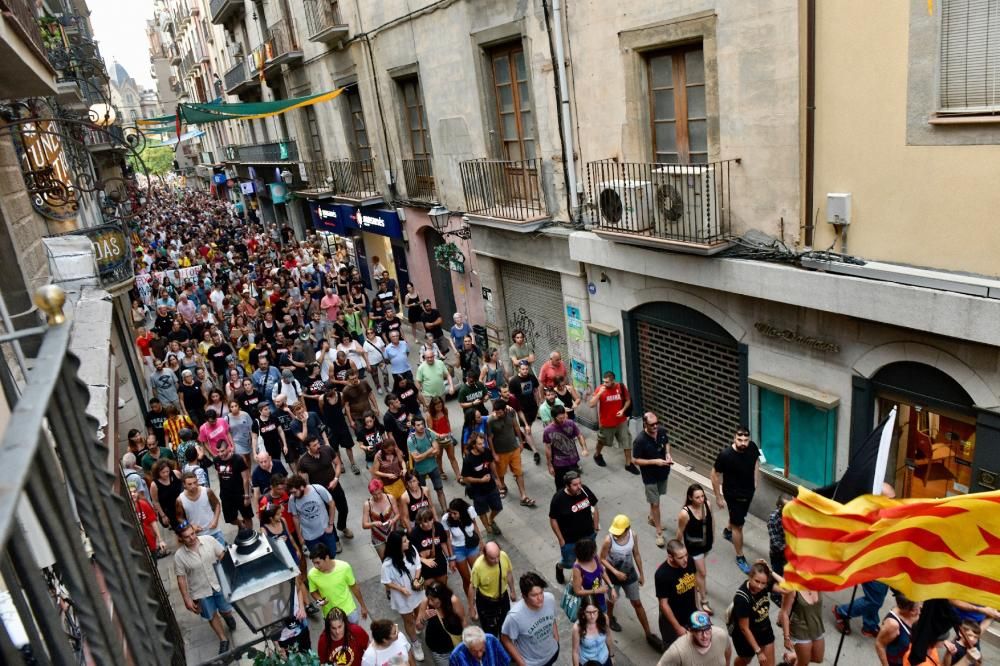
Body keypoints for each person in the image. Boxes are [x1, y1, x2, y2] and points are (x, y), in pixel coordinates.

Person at [174, 522, 238, 655]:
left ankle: (228, 616)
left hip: (218, 584)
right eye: (187, 536)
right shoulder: (179, 556)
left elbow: (222, 556)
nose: (192, 538)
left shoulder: (208, 540)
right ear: (181, 539)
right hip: (200, 591)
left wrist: (232, 577)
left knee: (226, 610)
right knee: (211, 615)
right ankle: (223, 639)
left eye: (192, 534)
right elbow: (181, 579)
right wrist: (187, 599)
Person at [599, 515, 660, 648]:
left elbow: (636, 554)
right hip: (612, 576)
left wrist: (641, 574)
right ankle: (610, 618)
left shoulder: (633, 535)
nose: (615, 534)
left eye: (618, 532)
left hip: (629, 574)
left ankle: (648, 633)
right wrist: (615, 572)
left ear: (627, 529)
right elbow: (601, 558)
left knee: (637, 603)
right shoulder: (608, 540)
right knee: (611, 600)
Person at [711, 427, 760, 574]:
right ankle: (740, 557)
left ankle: (727, 532)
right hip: (733, 495)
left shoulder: (752, 448)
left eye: (746, 440)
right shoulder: (725, 455)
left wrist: (755, 481)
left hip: (748, 492)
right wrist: (718, 497)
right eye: (740, 440)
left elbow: (756, 461)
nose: (743, 443)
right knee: (738, 526)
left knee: (737, 518)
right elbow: (714, 475)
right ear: (734, 438)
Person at [381, 531, 427, 662]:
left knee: (419, 614)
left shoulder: (411, 550)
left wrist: (416, 580)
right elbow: (386, 581)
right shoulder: (388, 564)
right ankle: (415, 643)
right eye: (405, 541)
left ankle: (419, 627)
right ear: (397, 545)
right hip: (402, 596)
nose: (408, 542)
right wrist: (400, 588)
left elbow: (418, 565)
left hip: (416, 590)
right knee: (408, 620)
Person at [298, 435, 353, 541]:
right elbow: (304, 482)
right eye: (314, 445)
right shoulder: (303, 462)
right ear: (307, 447)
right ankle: (335, 539)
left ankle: (342, 526)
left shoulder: (327, 450)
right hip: (320, 494)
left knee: (344, 509)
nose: (318, 446)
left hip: (335, 487)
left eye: (318, 443)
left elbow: (337, 464)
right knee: (327, 516)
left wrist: (336, 479)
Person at [730, 560, 785, 666]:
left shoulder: (764, 585)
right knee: (745, 660)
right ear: (750, 577)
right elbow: (744, 628)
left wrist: (771, 571)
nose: (760, 586)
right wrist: (758, 651)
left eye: (763, 583)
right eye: (756, 581)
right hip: (745, 637)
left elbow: (787, 589)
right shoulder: (742, 598)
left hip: (764, 631)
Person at [549, 470, 599, 586]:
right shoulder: (558, 499)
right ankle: (559, 567)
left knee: (587, 558)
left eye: (580, 483)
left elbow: (595, 506)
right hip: (570, 540)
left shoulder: (584, 490)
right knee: (569, 563)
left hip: (588, 535)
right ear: (567, 485)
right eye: (575, 485)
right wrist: (561, 539)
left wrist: (595, 526)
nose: (579, 487)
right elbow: (553, 519)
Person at [632, 412, 673, 548]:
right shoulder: (640, 440)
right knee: (655, 503)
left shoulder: (661, 431)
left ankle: (651, 518)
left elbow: (667, 443)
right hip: (649, 476)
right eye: (652, 425)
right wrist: (654, 462)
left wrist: (668, 454)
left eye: (657, 423)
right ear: (645, 424)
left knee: (657, 498)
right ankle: (659, 532)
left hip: (663, 472)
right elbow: (635, 460)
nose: (655, 426)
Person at [500, 572, 559, 666]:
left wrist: (556, 639)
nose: (540, 598)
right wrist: (521, 662)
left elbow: (552, 618)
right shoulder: (514, 617)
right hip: (532, 662)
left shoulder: (550, 599)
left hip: (552, 652)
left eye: (541, 592)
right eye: (534, 595)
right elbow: (505, 638)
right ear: (524, 596)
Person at [487, 399, 537, 507]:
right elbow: (490, 438)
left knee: (518, 473)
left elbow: (516, 426)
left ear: (505, 409)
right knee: (501, 473)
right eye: (496, 411)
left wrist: (521, 441)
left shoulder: (511, 412)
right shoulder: (490, 420)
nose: (497, 414)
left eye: (499, 412)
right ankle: (503, 486)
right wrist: (494, 453)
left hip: (514, 449)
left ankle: (523, 496)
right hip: (500, 452)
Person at [676, 483, 715, 615]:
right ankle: (703, 601)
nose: (701, 499)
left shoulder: (708, 505)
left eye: (702, 496)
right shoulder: (685, 513)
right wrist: (677, 549)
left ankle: (698, 583)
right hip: (693, 548)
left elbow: (712, 521)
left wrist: (713, 537)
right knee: (702, 572)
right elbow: (680, 532)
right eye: (697, 497)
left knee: (699, 572)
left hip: (706, 544)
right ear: (690, 498)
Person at [587, 371, 636, 474]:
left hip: (621, 421)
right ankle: (597, 455)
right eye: (603, 381)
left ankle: (628, 464)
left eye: (607, 382)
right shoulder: (600, 389)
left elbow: (628, 400)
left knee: (626, 441)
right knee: (603, 441)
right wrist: (599, 393)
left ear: (613, 381)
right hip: (607, 423)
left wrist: (622, 410)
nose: (605, 384)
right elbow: (591, 404)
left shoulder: (620, 387)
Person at [308, 543, 370, 622]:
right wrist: (320, 601)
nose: (315, 566)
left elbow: (354, 587)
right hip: (330, 614)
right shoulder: (312, 574)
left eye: (318, 562)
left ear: (326, 558)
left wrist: (363, 606)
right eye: (314, 563)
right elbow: (313, 592)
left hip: (349, 611)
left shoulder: (344, 567)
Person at [655, 540, 698, 650]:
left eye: (686, 555)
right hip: (671, 620)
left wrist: (697, 608)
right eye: (680, 558)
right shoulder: (662, 574)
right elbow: (663, 604)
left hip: (689, 614)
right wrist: (677, 627)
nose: (685, 560)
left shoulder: (690, 561)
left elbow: (693, 586)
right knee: (672, 649)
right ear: (670, 557)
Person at [469, 542, 517, 637]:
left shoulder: (503, 556)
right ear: (485, 555)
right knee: (490, 631)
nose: (496, 560)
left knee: (505, 626)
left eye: (497, 556)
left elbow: (508, 574)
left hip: (503, 598)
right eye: (492, 558)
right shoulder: (478, 567)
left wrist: (512, 591)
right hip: (486, 603)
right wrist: (471, 608)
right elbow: (472, 587)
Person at [461, 433, 504, 536]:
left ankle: (491, 519)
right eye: (480, 444)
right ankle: (488, 528)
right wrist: (481, 480)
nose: (483, 445)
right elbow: (466, 478)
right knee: (482, 511)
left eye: (483, 443)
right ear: (474, 445)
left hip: (491, 486)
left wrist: (497, 478)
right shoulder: (468, 460)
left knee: (498, 507)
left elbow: (491, 464)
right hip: (477, 491)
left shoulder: (487, 452)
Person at [286, 475, 339, 555]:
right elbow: (295, 517)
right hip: (309, 537)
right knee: (318, 559)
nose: (293, 494)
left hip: (325, 531)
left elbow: (331, 504)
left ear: (301, 487)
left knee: (332, 554)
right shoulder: (292, 499)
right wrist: (300, 537)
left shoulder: (317, 489)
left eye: (294, 492)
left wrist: (331, 525)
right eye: (291, 492)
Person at [656, 611, 731, 666]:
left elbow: (728, 653)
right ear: (690, 631)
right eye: (699, 631)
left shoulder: (721, 636)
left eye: (707, 629)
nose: (705, 636)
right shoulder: (678, 651)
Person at [542, 405, 587, 490]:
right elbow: (547, 448)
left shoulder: (570, 423)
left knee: (576, 484)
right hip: (559, 463)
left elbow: (579, 435)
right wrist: (549, 465)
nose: (563, 420)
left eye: (564, 417)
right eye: (560, 418)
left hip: (573, 461)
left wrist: (584, 448)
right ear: (553, 417)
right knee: (560, 487)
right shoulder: (548, 431)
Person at [443, 498, 482, 595]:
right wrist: (451, 558)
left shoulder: (470, 511)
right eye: (451, 512)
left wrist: (481, 542)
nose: (452, 515)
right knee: (466, 579)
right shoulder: (446, 519)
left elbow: (475, 525)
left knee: (477, 574)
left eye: (455, 513)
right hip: (458, 550)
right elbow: (447, 538)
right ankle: (471, 601)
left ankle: (482, 597)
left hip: (472, 547)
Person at [409, 416, 447, 513]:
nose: (421, 426)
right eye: (418, 425)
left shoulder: (429, 433)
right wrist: (429, 451)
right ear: (414, 426)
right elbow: (416, 459)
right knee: (422, 493)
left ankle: (445, 511)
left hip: (433, 467)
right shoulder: (411, 440)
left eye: (422, 424)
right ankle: (427, 513)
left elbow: (437, 451)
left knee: (440, 490)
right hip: (420, 471)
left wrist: (423, 455)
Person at [779, 585, 825, 665]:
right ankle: (799, 658)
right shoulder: (793, 589)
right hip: (800, 630)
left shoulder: (818, 583)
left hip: (817, 628)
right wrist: (786, 637)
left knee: (818, 658)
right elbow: (784, 613)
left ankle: (793, 656)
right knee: (803, 663)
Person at [175, 472, 224, 546]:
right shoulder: (180, 500)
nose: (193, 486)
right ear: (184, 485)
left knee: (222, 554)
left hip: (214, 532)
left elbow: (217, 505)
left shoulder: (207, 491)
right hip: (197, 536)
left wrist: (215, 520)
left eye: (195, 482)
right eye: (190, 484)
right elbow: (179, 518)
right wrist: (191, 526)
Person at [214, 441, 254, 529]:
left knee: (247, 516)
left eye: (222, 451)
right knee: (230, 519)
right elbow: (219, 474)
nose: (220, 454)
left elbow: (245, 478)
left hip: (240, 493)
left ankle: (250, 534)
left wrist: (247, 496)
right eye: (218, 451)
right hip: (226, 495)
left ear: (228, 448)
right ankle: (241, 525)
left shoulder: (238, 459)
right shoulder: (216, 460)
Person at [875, 595, 922, 666]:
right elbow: (879, 644)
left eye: (920, 607)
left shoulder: (913, 611)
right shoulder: (892, 624)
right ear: (904, 609)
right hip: (895, 662)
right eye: (914, 610)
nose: (919, 612)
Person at [410, 507, 452, 587]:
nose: (429, 523)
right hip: (425, 567)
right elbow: (412, 553)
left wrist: (449, 558)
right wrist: (423, 560)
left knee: (442, 588)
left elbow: (443, 542)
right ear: (420, 522)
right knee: (430, 592)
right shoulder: (415, 534)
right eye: (425, 521)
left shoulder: (438, 526)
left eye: (430, 519)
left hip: (439, 562)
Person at [571, 539, 615, 613]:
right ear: (587, 555)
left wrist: (612, 587)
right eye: (594, 551)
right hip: (588, 601)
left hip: (600, 597)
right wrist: (597, 591)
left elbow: (602, 571)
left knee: (603, 614)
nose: (595, 552)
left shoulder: (595, 557)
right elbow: (577, 591)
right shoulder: (577, 568)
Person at [362, 478, 399, 560]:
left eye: (379, 493)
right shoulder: (367, 504)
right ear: (371, 493)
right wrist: (373, 523)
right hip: (378, 536)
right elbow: (364, 525)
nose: (378, 496)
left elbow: (398, 514)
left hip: (392, 532)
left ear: (382, 489)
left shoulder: (390, 498)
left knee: (397, 556)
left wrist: (393, 520)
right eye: (374, 494)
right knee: (385, 559)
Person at [571, 595, 614, 666]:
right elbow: (575, 652)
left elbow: (608, 637)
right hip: (588, 663)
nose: (592, 616)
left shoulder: (604, 618)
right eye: (588, 612)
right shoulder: (578, 627)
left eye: (595, 611)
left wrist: (612, 655)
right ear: (583, 612)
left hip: (605, 659)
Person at [428, 395, 461, 481]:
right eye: (436, 404)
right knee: (439, 457)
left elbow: (447, 421)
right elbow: (429, 430)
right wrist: (438, 435)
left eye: (440, 403)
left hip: (447, 438)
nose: (439, 405)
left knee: (452, 457)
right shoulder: (430, 415)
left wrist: (450, 433)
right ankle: (441, 472)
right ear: (433, 406)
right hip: (437, 440)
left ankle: (458, 476)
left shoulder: (445, 410)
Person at [151, 459, 184, 529]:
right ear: (158, 472)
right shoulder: (154, 485)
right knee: (180, 529)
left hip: (182, 507)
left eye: (167, 471)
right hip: (170, 512)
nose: (166, 474)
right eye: (163, 472)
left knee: (188, 525)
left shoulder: (176, 474)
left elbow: (184, 484)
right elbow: (155, 501)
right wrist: (163, 516)